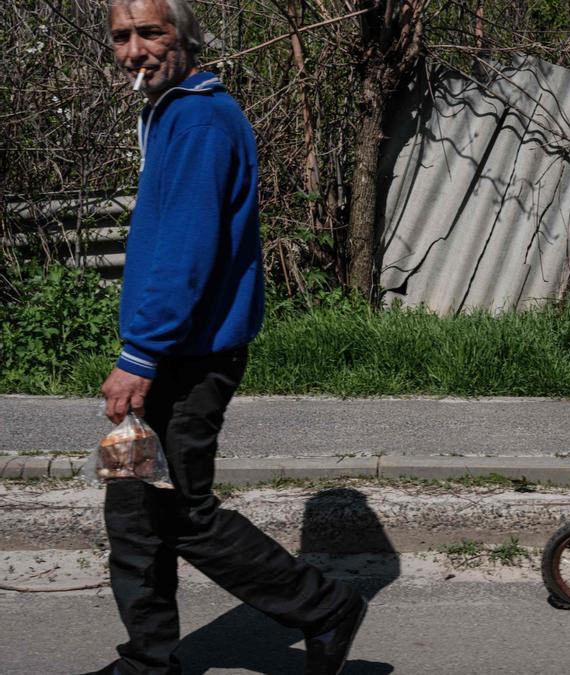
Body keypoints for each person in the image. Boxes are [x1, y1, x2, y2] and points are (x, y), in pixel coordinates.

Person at [91, 2, 366, 673]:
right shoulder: (172, 110)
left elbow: (185, 250)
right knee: (132, 511)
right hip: (170, 350)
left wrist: (139, 352)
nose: (134, 51)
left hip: (187, 357)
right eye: (122, 37)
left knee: (181, 513)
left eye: (150, 32)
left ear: (184, 35)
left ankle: (323, 605)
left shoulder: (199, 118)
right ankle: (148, 659)